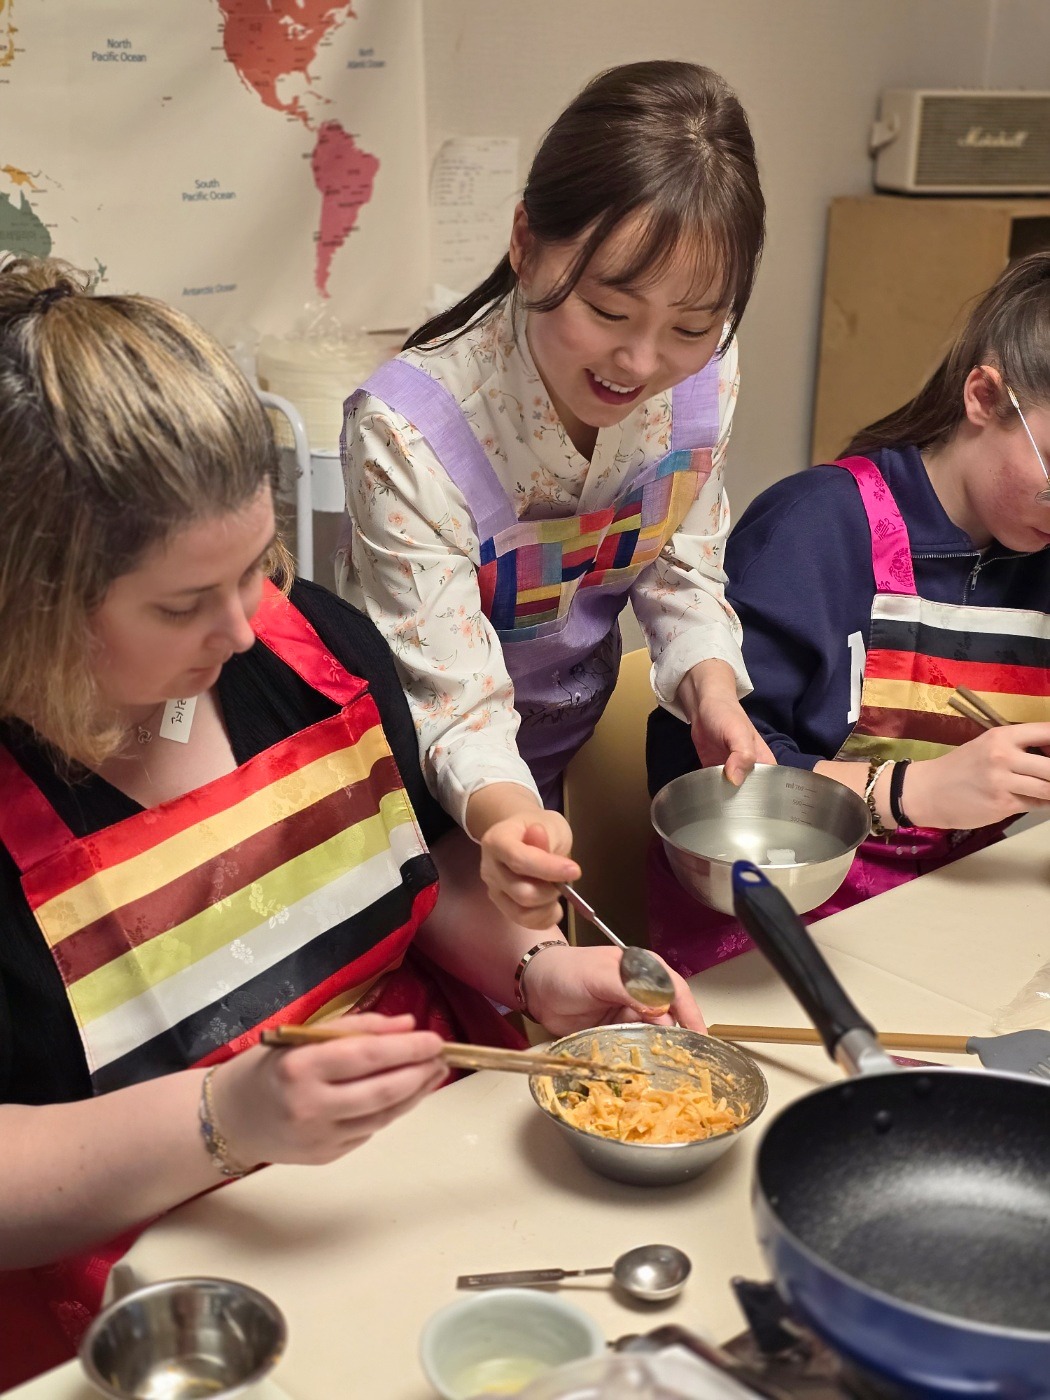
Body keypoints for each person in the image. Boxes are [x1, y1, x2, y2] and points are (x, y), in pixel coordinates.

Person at [0, 257, 702, 1390]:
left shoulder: (306, 645)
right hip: (168, 1303)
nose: (243, 625)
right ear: (23, 595)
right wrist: (227, 1118)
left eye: (258, 563)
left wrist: (534, 969)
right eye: (183, 603)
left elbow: (415, 871)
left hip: (416, 1189)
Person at [339, 59, 772, 944]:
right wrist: (506, 823)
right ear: (526, 240)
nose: (642, 364)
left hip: (556, 751)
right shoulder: (410, 433)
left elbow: (683, 566)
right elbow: (452, 703)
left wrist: (713, 688)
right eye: (610, 310)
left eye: (691, 327)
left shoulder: (706, 376)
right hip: (406, 774)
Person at [646, 252, 1050, 976]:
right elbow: (695, 776)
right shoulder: (816, 529)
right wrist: (910, 790)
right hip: (779, 928)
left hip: (958, 917)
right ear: (984, 398)